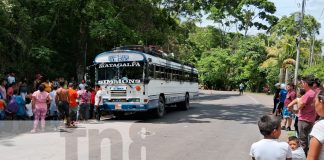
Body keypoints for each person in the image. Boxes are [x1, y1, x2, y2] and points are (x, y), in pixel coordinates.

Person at [290, 75, 316, 153]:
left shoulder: (307, 94)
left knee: (302, 140)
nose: (301, 84)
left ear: (306, 83)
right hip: (311, 119)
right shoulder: (314, 92)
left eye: (302, 83)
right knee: (307, 138)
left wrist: (298, 101)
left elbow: (299, 107)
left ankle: (303, 155)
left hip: (304, 120)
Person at [307, 89, 324, 160]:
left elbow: (311, 158)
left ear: (321, 101)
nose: (313, 104)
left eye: (315, 101)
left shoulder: (320, 125)